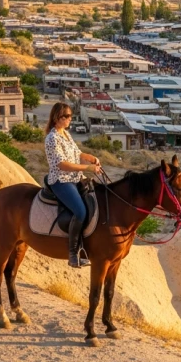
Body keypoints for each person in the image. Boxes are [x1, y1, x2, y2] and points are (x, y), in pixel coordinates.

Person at [44, 102, 103, 268]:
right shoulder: (52, 138)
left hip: (75, 177)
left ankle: (87, 248)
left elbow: (77, 154)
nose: (70, 119)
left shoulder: (66, 134)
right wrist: (88, 167)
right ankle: (73, 253)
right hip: (62, 180)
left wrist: (91, 157)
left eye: (70, 116)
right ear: (57, 118)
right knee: (80, 211)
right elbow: (62, 164)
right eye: (67, 116)